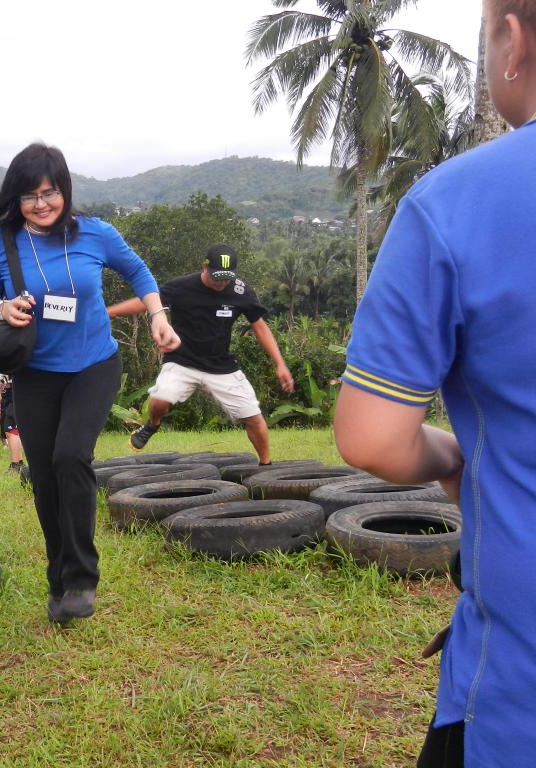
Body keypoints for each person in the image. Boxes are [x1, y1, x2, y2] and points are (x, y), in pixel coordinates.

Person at [333, 4, 536, 764]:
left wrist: (451, 457)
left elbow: (371, 437)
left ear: (512, 39)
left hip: (517, 705)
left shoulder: (457, 202)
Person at [0, 142, 179, 624]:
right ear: (16, 199)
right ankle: (58, 577)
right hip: (36, 374)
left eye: (48, 193)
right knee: (43, 479)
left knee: (71, 457)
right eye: (29, 196)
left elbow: (138, 271)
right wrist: (1, 308)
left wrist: (157, 315)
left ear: (63, 189)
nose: (40, 204)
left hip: (93, 365)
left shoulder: (94, 232)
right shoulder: (2, 242)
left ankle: (83, 576)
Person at [108, 244, 294, 464]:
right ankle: (152, 425)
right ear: (204, 267)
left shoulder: (240, 291)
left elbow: (260, 327)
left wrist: (280, 364)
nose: (221, 283)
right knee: (160, 400)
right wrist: (108, 312)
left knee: (253, 418)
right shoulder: (181, 287)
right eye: (217, 277)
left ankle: (266, 465)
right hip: (182, 360)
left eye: (226, 278)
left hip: (221, 365)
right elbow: (146, 302)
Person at [0, 375, 25, 473]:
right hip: (10, 396)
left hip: (14, 395)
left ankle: (15, 466)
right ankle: (20, 463)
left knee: (11, 432)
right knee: (13, 431)